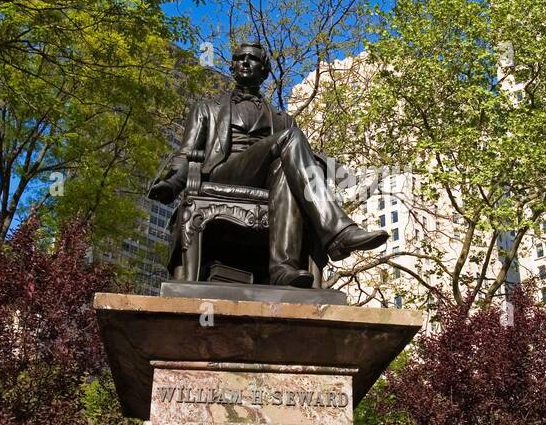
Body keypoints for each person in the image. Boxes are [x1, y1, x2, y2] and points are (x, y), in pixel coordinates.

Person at [149, 41, 387, 287]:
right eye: (240, 58)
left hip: (268, 180)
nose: (245, 62)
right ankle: (338, 233)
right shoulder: (207, 108)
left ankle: (284, 269)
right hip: (224, 173)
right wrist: (172, 183)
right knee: (292, 138)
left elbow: (298, 161)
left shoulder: (283, 120)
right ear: (232, 67)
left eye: (252, 59)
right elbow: (186, 153)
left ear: (264, 71)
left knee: (286, 171)